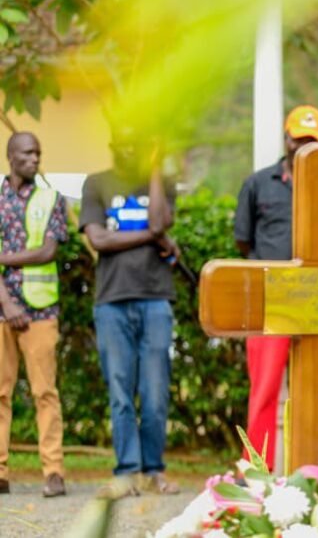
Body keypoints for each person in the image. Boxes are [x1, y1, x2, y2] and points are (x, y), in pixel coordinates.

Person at [234, 105, 318, 470]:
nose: (302, 148)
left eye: (310, 142)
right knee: (265, 389)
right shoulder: (258, 184)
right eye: (298, 140)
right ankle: (256, 470)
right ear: (286, 140)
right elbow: (243, 240)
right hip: (272, 300)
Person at [80, 130, 180, 498]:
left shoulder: (163, 184)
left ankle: (154, 470)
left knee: (155, 393)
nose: (129, 146)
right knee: (120, 391)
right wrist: (154, 240)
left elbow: (158, 222)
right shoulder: (97, 183)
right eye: (122, 141)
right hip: (112, 300)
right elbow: (99, 240)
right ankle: (127, 473)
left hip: (156, 299)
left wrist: (154, 169)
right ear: (112, 145)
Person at [0, 133, 68, 498]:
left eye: (39, 152)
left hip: (41, 310)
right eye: (28, 152)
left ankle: (54, 472)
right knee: (0, 393)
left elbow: (48, 251)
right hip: (1, 311)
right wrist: (8, 305)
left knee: (45, 392)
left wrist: (4, 260)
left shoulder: (51, 198)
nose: (35, 158)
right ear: (11, 156)